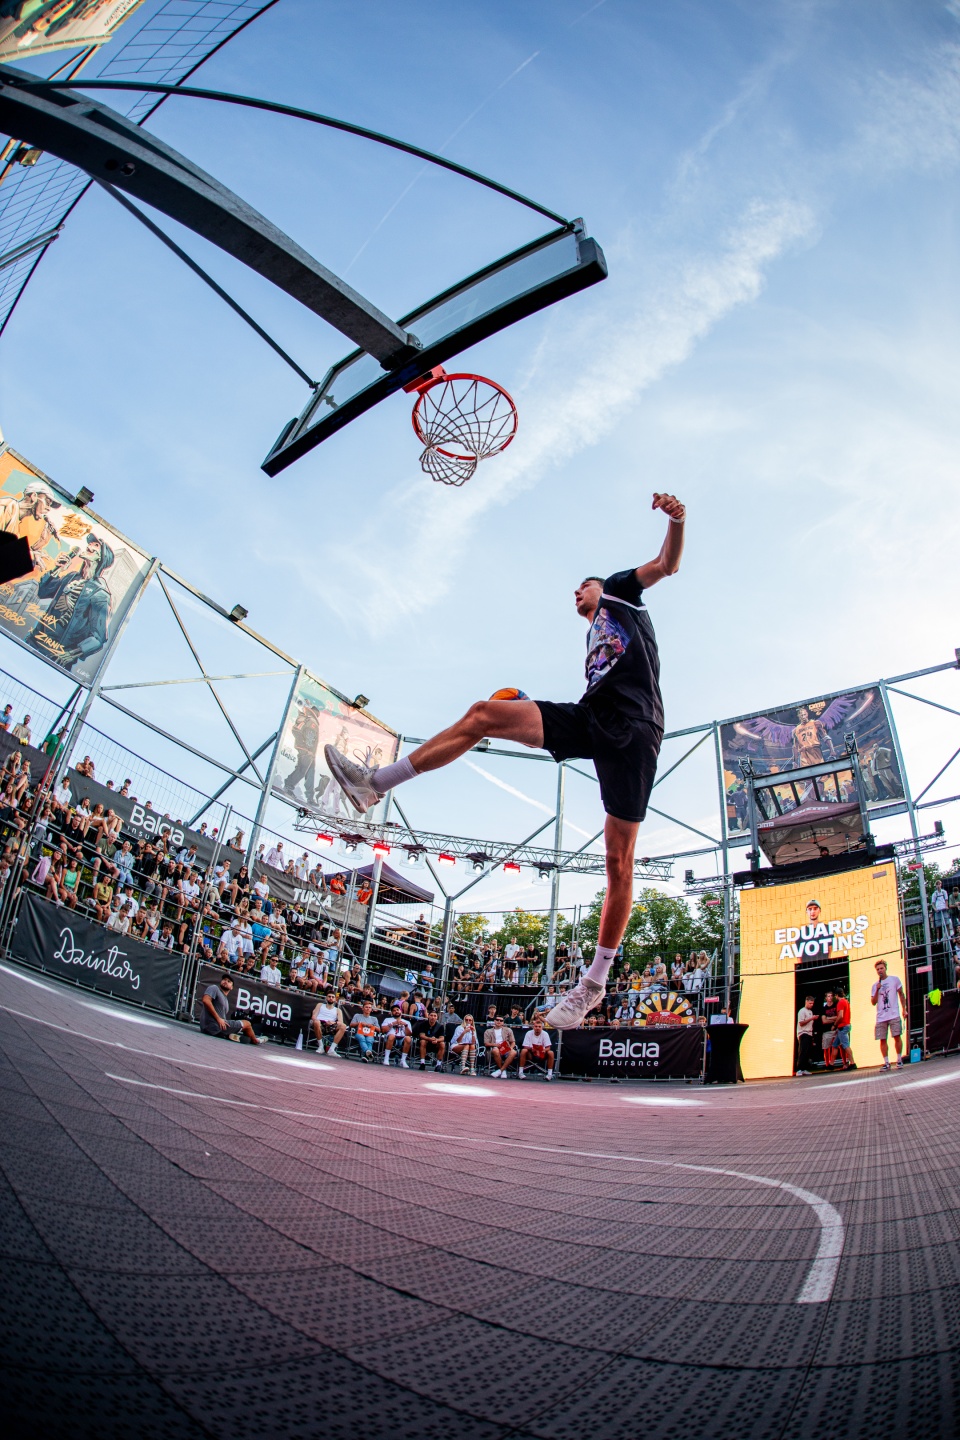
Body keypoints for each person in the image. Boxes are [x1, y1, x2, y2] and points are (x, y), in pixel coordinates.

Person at [322, 494, 686, 1030]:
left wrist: (676, 520)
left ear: (599, 588)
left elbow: (666, 564)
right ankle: (374, 783)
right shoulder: (593, 636)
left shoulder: (619, 592)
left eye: (581, 587)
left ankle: (593, 983)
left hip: (635, 729)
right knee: (484, 713)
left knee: (618, 861)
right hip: (593, 716)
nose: (577, 594)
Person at [198, 973, 263, 1043]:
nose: (225, 981)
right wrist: (218, 1019)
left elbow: (222, 1019)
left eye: (229, 981)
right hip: (213, 1026)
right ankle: (256, 1040)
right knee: (247, 1023)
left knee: (243, 1027)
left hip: (214, 1028)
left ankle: (233, 1035)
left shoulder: (225, 1000)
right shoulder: (214, 988)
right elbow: (206, 1000)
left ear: (231, 987)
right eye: (224, 979)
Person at [871, 959, 907, 1070]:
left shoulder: (894, 980)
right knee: (882, 1039)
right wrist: (877, 990)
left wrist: (904, 1009)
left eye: (881, 968)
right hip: (881, 1016)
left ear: (885, 968)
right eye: (878, 969)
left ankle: (899, 1059)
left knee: (897, 1036)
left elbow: (901, 994)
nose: (880, 971)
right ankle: (886, 1062)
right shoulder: (875, 985)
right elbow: (873, 1002)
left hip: (893, 1013)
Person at [518, 1014, 555, 1080]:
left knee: (551, 1053)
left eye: (539, 1027)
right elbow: (525, 1046)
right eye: (536, 1026)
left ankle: (549, 1074)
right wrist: (532, 1049)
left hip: (542, 1054)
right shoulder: (529, 1033)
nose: (537, 1028)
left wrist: (544, 1050)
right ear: (533, 1027)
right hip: (531, 1054)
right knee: (523, 1051)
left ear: (542, 1027)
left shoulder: (545, 1034)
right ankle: (520, 1072)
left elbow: (548, 1047)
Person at [311, 991, 347, 1056]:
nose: (331, 998)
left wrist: (333, 1022)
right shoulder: (320, 1005)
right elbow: (314, 1016)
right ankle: (321, 1046)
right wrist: (318, 1021)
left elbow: (340, 1022)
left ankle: (331, 1049)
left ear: (335, 999)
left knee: (343, 1026)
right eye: (329, 996)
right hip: (320, 1024)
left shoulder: (338, 1010)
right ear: (326, 998)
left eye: (332, 997)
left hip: (331, 1026)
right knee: (316, 1022)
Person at [796, 994, 816, 1076]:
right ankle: (799, 1069)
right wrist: (811, 1018)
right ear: (806, 1002)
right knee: (802, 1051)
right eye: (810, 1003)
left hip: (809, 1033)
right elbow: (801, 1023)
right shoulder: (802, 1011)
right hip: (803, 1033)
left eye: (812, 1003)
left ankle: (804, 1068)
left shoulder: (810, 1012)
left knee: (807, 1052)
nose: (811, 1005)